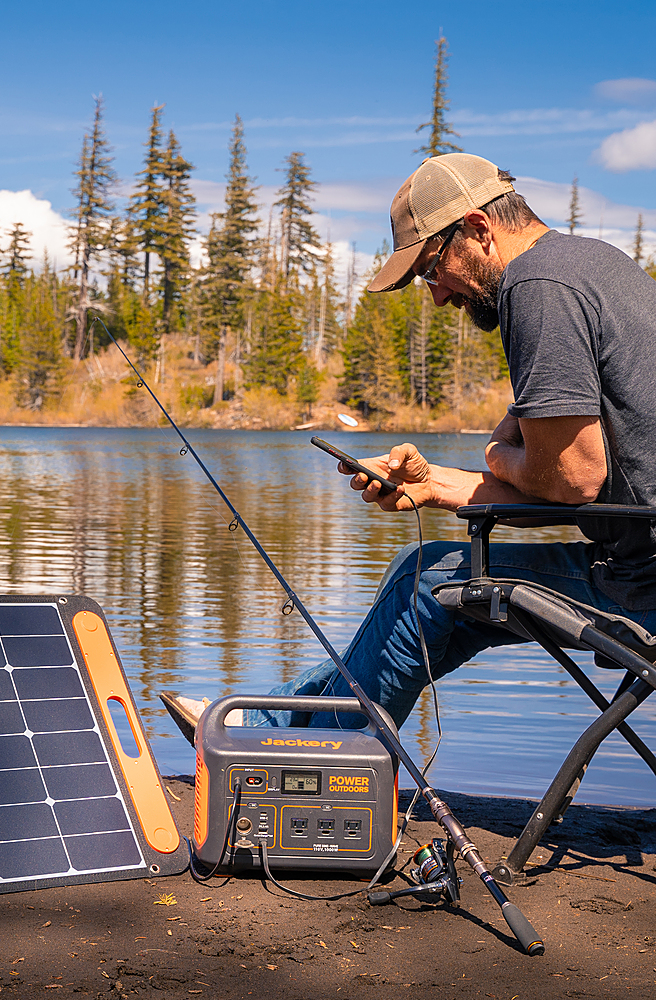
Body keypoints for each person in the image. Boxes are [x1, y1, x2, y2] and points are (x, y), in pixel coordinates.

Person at [241, 152, 656, 730]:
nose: (436, 295)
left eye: (431, 270)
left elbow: (572, 479)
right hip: (636, 564)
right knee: (434, 589)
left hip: (644, 589)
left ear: (478, 229)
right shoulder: (590, 263)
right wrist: (432, 484)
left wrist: (496, 455)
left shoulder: (537, 285)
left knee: (423, 586)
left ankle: (302, 750)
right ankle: (277, 721)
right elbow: (583, 488)